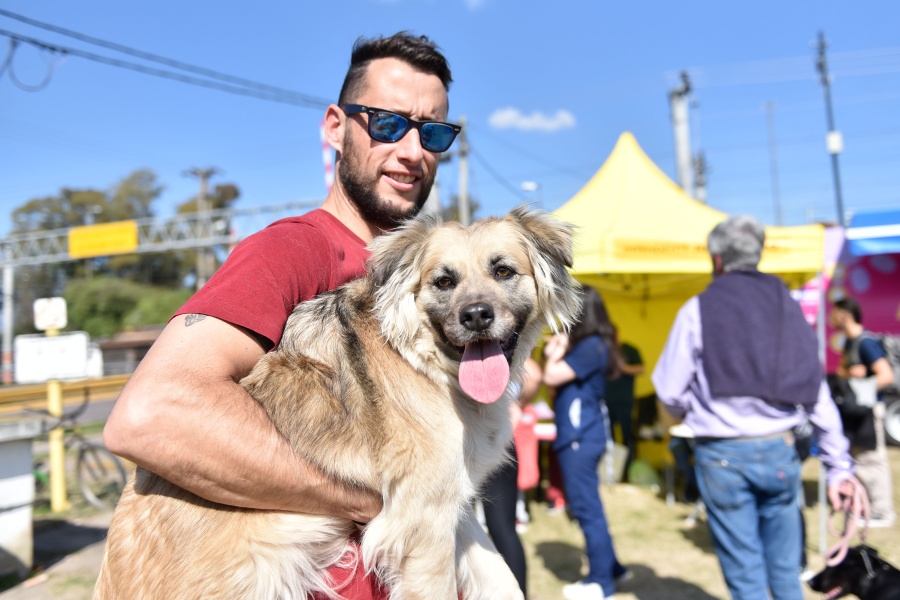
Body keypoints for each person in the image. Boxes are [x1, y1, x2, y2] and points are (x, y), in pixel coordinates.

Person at [103, 32, 460, 598]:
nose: (413, 151)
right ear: (335, 127)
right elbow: (151, 413)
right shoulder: (294, 251)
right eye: (388, 124)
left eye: (434, 131)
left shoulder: (426, 276)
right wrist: (380, 498)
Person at [651, 215, 864, 600]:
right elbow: (816, 392)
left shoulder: (698, 309)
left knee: (747, 576)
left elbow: (668, 389)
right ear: (759, 254)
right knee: (786, 571)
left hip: (722, 452)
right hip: (780, 448)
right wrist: (838, 467)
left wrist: (687, 412)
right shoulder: (789, 305)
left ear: (716, 260)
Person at [543, 285, 629, 600]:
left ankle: (601, 582)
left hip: (579, 437)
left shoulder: (589, 345)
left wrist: (555, 351)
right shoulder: (596, 344)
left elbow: (551, 377)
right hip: (583, 434)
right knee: (591, 507)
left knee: (586, 510)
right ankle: (614, 568)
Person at [829, 296, 897, 527]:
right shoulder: (850, 342)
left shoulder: (866, 342)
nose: (831, 317)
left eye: (835, 312)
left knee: (872, 459)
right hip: (855, 411)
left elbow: (886, 376)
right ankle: (865, 506)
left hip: (869, 410)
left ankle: (882, 511)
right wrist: (849, 375)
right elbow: (842, 372)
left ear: (845, 315)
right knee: (858, 459)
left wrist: (863, 384)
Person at [481, 356, 542, 597]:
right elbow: (535, 374)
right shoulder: (501, 347)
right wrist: (518, 401)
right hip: (493, 440)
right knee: (501, 529)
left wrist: (517, 402)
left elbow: (535, 373)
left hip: (489, 440)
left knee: (501, 529)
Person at [604, 326, 644, 473]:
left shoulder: (629, 350)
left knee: (628, 436)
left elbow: (641, 369)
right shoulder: (603, 351)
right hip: (606, 401)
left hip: (625, 401)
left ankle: (629, 468)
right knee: (609, 437)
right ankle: (613, 470)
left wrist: (623, 367)